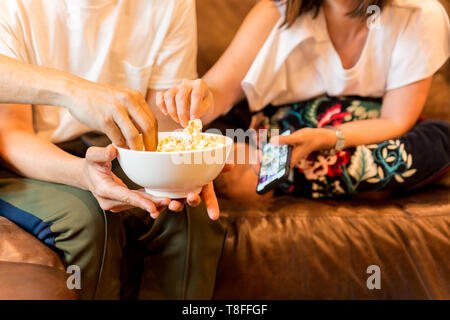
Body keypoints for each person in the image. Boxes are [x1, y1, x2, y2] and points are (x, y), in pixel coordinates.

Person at [0, 0, 227, 299]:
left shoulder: (170, 5)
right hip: (32, 156)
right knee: (90, 221)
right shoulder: (16, 7)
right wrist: (82, 173)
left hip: (120, 150)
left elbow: (158, 129)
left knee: (186, 214)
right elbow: (12, 135)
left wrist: (184, 166)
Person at [157, 0, 450, 200]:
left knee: (435, 143)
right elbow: (218, 91)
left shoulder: (419, 14)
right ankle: (324, 176)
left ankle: (283, 175)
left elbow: (396, 119)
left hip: (360, 132)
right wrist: (195, 98)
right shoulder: (276, 10)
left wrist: (327, 138)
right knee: (223, 156)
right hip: (266, 130)